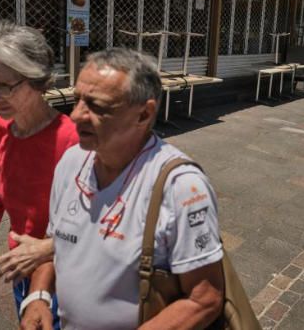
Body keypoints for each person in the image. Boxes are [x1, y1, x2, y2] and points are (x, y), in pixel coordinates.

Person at [19, 48, 224, 330]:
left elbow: (205, 299)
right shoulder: (71, 162)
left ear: (144, 114)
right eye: (77, 99)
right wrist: (38, 296)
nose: (76, 115)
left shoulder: (182, 188)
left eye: (97, 106)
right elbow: (57, 241)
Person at [0, 21, 79, 329]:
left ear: (38, 80)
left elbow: (91, 224)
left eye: (4, 86)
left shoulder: (72, 140)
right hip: (19, 266)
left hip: (66, 276)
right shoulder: (2, 127)